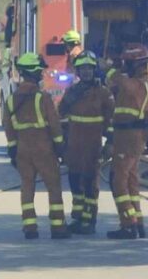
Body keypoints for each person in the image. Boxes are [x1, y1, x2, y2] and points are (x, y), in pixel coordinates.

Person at [3, 53, 70, 240]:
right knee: (54, 186)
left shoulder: (11, 100)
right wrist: (60, 147)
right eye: (40, 72)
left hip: (23, 150)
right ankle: (58, 227)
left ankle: (29, 227)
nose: (42, 75)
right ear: (33, 73)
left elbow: (8, 128)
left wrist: (13, 149)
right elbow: (55, 126)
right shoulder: (43, 98)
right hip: (44, 149)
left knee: (27, 187)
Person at [101, 44, 148, 240]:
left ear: (135, 64)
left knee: (118, 181)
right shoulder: (144, 84)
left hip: (128, 137)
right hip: (133, 137)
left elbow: (121, 83)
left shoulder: (137, 85)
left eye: (127, 64)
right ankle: (138, 222)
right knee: (131, 180)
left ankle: (128, 223)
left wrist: (109, 68)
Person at [58, 51, 114, 235]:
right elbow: (60, 113)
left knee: (91, 184)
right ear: (78, 72)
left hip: (92, 147)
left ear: (94, 70)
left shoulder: (103, 94)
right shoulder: (72, 92)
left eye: (89, 68)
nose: (86, 72)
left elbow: (110, 122)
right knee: (74, 181)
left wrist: (110, 144)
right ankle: (78, 217)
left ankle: (90, 220)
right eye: (83, 69)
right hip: (74, 147)